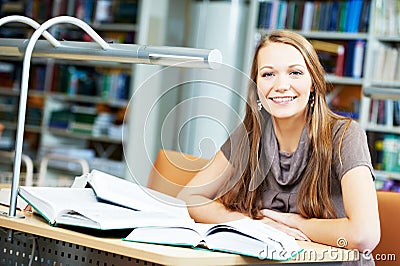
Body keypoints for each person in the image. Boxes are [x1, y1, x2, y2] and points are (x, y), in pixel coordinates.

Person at [177, 30, 380, 263]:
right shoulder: (249, 135)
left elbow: (365, 235)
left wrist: (296, 223)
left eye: (295, 73)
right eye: (268, 74)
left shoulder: (345, 135)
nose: (281, 85)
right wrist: (257, 225)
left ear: (313, 82)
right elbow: (190, 197)